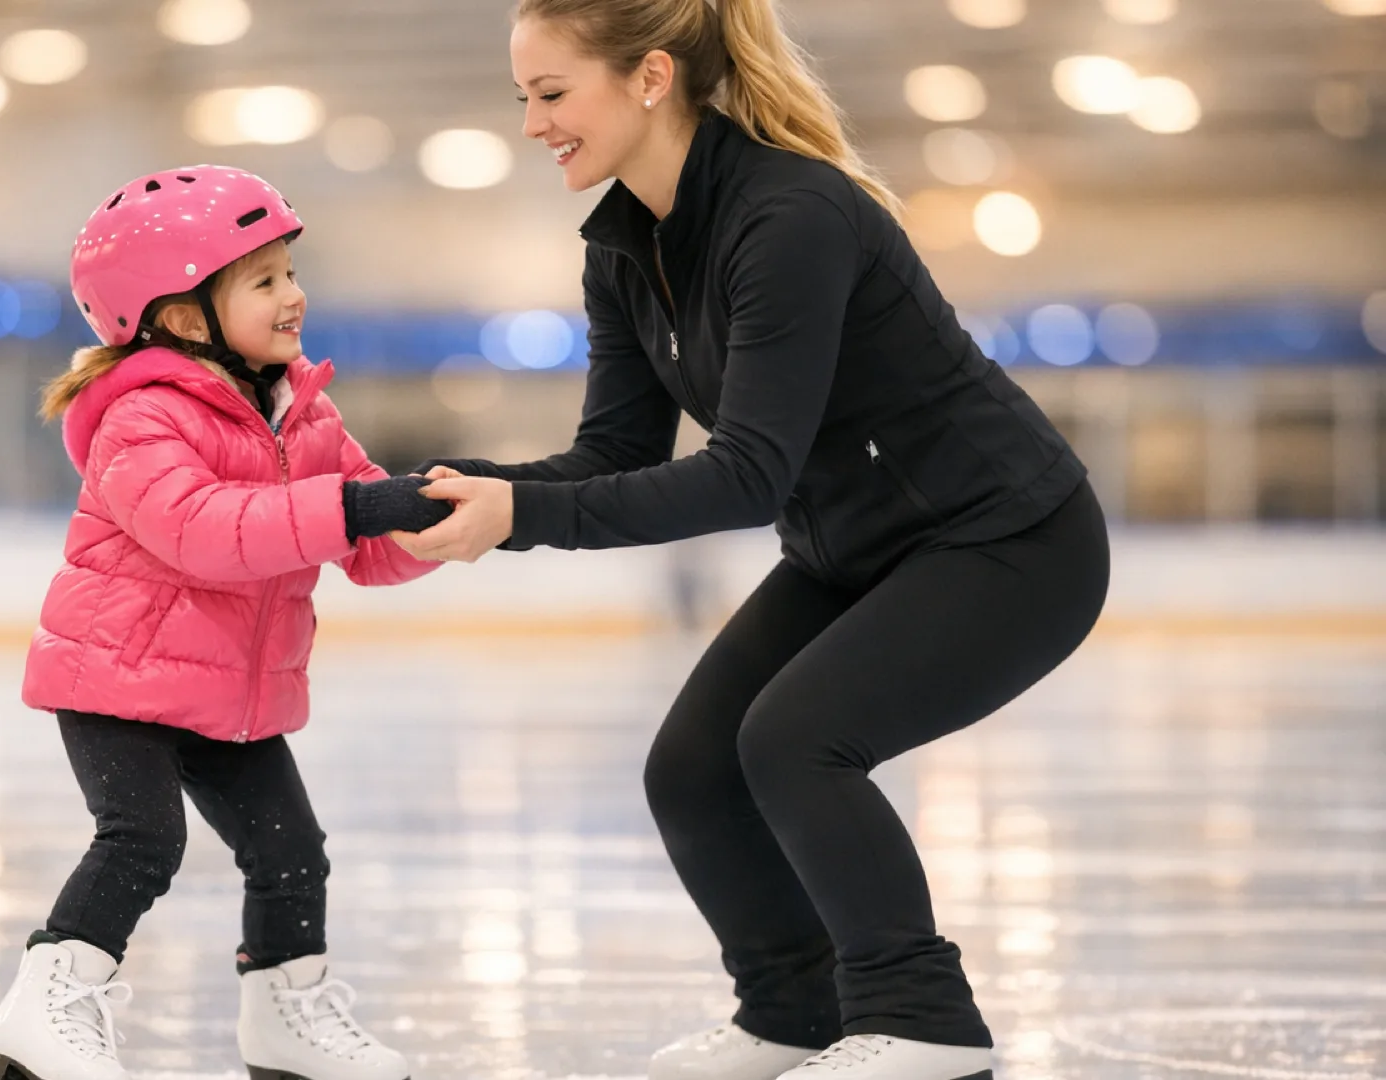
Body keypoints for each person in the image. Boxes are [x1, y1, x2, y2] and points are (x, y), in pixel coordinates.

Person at [396, 2, 1110, 1078]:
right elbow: (610, 455)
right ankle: (793, 1017)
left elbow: (745, 475)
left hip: (1007, 539)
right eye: (524, 100)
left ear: (648, 79)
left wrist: (524, 517)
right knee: (692, 769)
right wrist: (461, 494)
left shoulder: (793, 216)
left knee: (793, 740)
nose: (535, 124)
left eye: (552, 95)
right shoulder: (625, 251)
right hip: (855, 553)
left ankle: (922, 1027)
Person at [0, 167, 450, 1080]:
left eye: (290, 273)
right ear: (183, 316)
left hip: (227, 688)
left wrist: (437, 519)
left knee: (291, 852)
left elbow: (367, 545)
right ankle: (43, 1008)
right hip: (117, 678)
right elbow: (206, 534)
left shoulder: (301, 412)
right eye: (264, 280)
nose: (294, 296)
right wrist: (359, 507)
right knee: (144, 840)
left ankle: (285, 1019)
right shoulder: (143, 418)